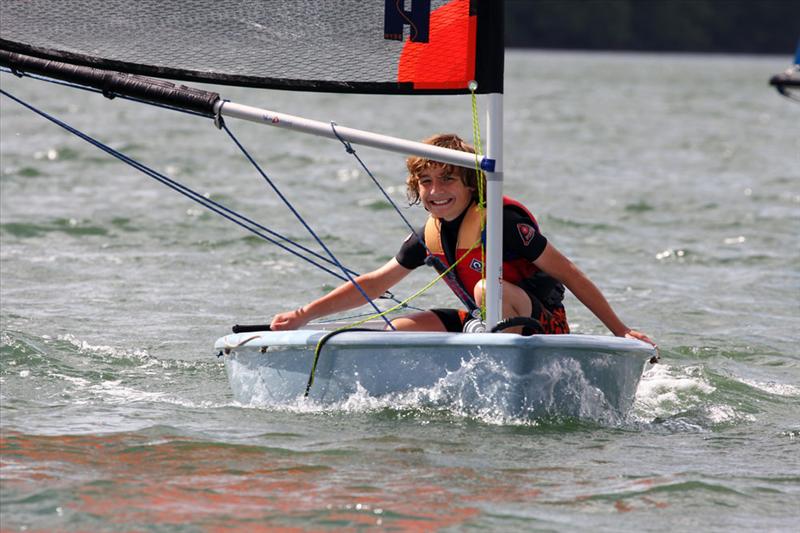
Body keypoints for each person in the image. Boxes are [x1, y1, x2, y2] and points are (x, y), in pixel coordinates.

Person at [270, 134, 655, 346]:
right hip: (481, 324)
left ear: (471, 184)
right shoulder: (427, 236)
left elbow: (569, 273)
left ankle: (496, 352)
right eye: (426, 182)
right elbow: (373, 283)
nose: (436, 191)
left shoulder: (503, 222)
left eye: (448, 179)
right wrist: (303, 316)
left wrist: (619, 330)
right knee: (394, 334)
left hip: (540, 327)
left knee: (488, 288)